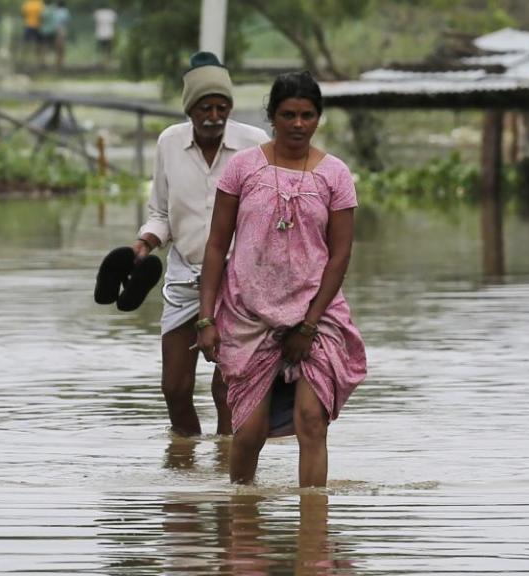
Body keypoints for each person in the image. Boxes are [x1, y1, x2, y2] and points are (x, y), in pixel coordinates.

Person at [197, 71, 367, 487]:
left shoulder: (335, 175)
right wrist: (206, 319)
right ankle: (241, 523)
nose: (297, 124)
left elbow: (340, 255)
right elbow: (217, 245)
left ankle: (313, 537)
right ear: (272, 116)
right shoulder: (242, 167)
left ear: (318, 118)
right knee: (249, 433)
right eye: (288, 114)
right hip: (248, 314)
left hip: (317, 313)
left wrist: (308, 325)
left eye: (307, 115)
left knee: (312, 422)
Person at [134, 52, 269, 437]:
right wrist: (144, 244)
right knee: (174, 388)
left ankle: (230, 473)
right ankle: (185, 463)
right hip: (184, 275)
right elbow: (160, 214)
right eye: (205, 108)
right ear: (189, 109)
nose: (214, 116)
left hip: (238, 279)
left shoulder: (254, 144)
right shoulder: (169, 143)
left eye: (221, 107)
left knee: (226, 389)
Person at [20, 0, 45, 66]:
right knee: (39, 45)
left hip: (28, 25)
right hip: (38, 26)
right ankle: (39, 62)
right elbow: (43, 15)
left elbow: (23, 14)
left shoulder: (27, 3)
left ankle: (23, 60)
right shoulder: (40, 3)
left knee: (26, 44)